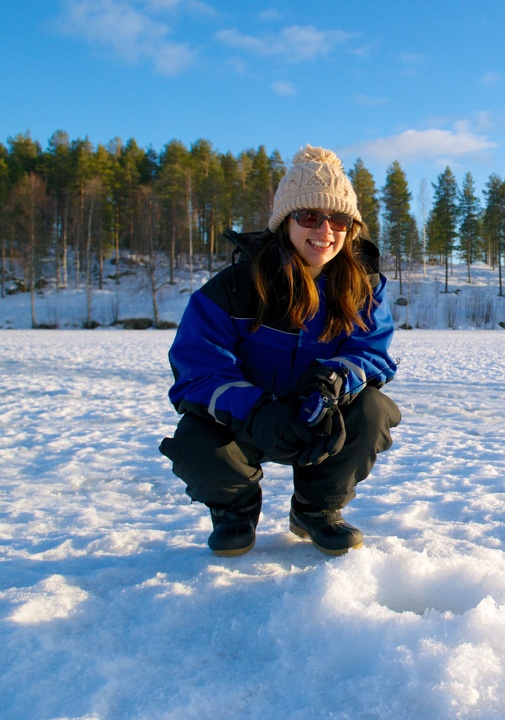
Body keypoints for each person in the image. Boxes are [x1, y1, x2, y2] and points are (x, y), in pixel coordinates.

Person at [160, 145, 401, 558]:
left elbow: (371, 351)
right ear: (284, 222)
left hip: (318, 415)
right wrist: (256, 410)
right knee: (196, 438)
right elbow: (197, 369)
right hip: (247, 420)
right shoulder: (232, 289)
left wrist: (332, 382)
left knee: (373, 410)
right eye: (310, 216)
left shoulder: (363, 287)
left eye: (339, 219)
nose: (326, 230)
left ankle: (316, 509)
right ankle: (234, 510)